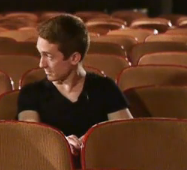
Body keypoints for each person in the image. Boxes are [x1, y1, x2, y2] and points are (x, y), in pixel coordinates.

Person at [17, 14, 132, 155]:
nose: (41, 64)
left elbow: (126, 132)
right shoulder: (31, 93)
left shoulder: (105, 87)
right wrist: (61, 144)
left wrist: (92, 139)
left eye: (49, 56)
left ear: (74, 58)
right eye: (41, 54)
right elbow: (30, 138)